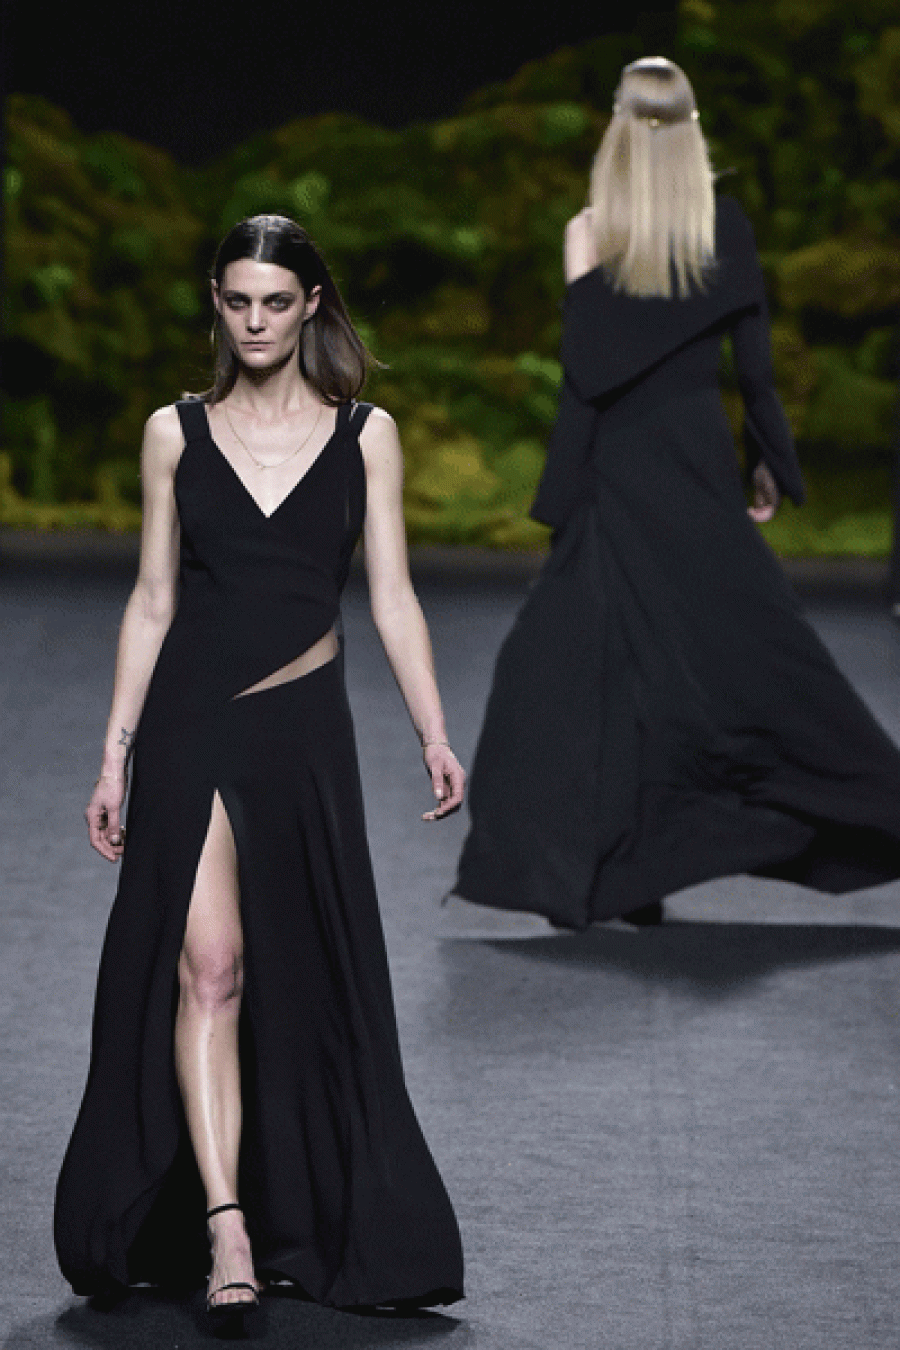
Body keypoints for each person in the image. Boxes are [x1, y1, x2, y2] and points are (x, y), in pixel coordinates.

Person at [54, 215, 465, 1319]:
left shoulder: (366, 434)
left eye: (276, 303)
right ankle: (226, 1223)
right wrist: (114, 755)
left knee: (302, 973)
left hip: (303, 733)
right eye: (236, 301)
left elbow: (392, 597)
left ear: (312, 305)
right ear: (216, 302)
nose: (254, 322)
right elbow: (152, 600)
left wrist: (432, 731)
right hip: (190, 724)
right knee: (213, 967)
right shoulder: (174, 433)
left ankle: (298, 1208)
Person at [454, 57, 900, 930]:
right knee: (758, 659)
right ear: (692, 135)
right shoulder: (723, 229)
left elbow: (586, 377)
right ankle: (636, 873)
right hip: (691, 468)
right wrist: (767, 461)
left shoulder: (589, 235)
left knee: (568, 674)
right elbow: (755, 369)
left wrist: (560, 494)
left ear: (618, 134)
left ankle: (604, 873)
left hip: (619, 473)